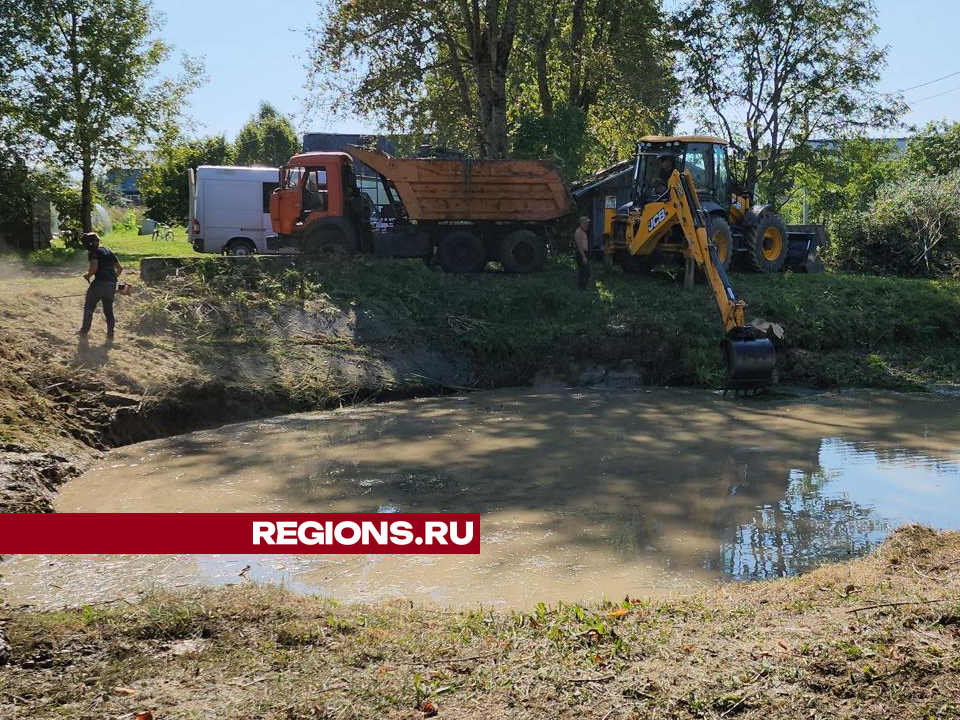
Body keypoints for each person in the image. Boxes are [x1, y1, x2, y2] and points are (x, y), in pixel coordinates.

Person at [79, 232, 123, 340]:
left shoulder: (94, 253)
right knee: (108, 310)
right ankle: (110, 334)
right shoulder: (108, 250)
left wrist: (87, 276)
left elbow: (94, 269)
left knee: (89, 307)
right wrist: (112, 280)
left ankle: (84, 331)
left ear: (87, 244)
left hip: (98, 284)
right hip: (111, 285)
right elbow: (120, 269)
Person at [574, 216, 590, 291]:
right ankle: (582, 289)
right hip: (581, 253)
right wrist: (583, 256)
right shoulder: (578, 232)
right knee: (583, 272)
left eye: (588, 223)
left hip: (584, 253)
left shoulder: (583, 231)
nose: (587, 225)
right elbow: (579, 245)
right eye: (586, 223)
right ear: (581, 223)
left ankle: (584, 287)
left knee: (586, 271)